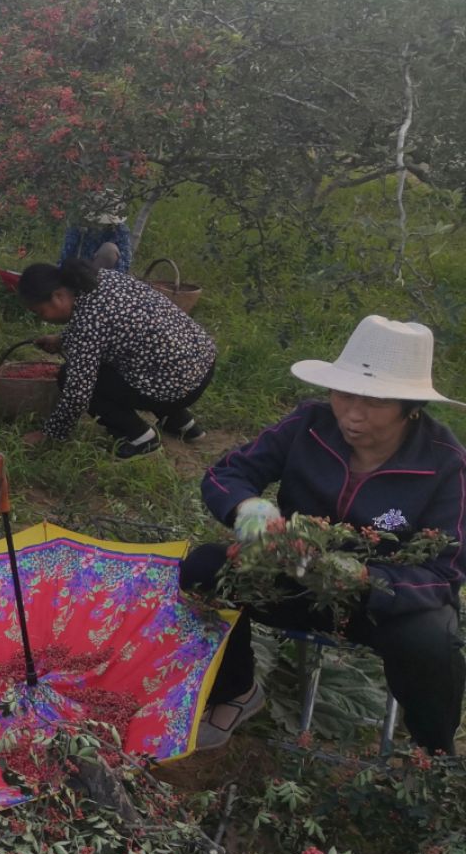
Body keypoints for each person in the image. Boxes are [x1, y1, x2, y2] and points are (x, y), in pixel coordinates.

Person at [181, 315, 466, 752]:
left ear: (411, 407)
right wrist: (249, 509)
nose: (353, 414)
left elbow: (445, 572)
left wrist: (365, 580)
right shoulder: (309, 425)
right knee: (203, 568)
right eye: (344, 394)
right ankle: (237, 690)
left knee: (433, 641)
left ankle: (432, 753)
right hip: (292, 579)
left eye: (374, 402)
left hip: (378, 607)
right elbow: (228, 473)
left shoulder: (445, 464)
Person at [18, 259, 215, 458]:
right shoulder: (100, 278)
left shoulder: (88, 323)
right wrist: (63, 339)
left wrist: (50, 433)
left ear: (58, 296)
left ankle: (141, 439)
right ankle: (181, 423)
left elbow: (77, 394)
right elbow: (107, 326)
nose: (44, 318)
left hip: (175, 386)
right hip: (201, 363)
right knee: (138, 357)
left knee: (70, 376)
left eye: (41, 312)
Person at [59, 188, 133, 271]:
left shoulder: (120, 230)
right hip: (79, 270)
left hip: (104, 274)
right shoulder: (78, 226)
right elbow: (67, 253)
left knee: (109, 249)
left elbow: (125, 260)